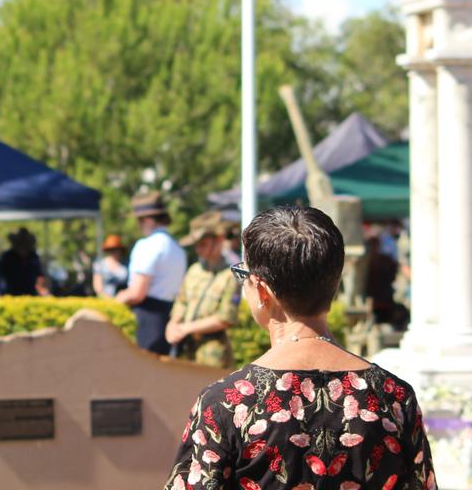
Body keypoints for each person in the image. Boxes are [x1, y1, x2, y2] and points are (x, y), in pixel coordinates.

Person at [166, 206, 436, 490]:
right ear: (334, 282)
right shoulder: (394, 396)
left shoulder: (226, 403)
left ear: (261, 291)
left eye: (242, 275)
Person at [114, 192, 186, 355]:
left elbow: (137, 293)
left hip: (146, 320)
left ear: (147, 219)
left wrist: (116, 300)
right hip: (167, 317)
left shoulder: (147, 245)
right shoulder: (177, 248)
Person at [165, 217, 239, 368]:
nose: (198, 250)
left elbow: (226, 318)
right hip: (187, 352)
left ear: (218, 241)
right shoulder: (194, 271)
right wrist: (173, 324)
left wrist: (186, 328)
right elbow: (182, 302)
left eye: (203, 244)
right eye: (196, 245)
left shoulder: (230, 275)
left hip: (212, 355)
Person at [0, 227, 49, 296]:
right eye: (20, 241)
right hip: (10, 294)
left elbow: (40, 274)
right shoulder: (7, 257)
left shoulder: (33, 256)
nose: (23, 244)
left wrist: (41, 288)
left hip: (31, 293)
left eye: (25, 241)